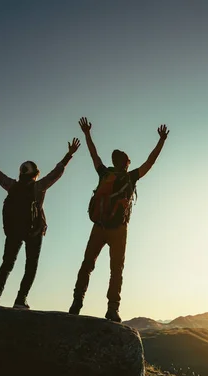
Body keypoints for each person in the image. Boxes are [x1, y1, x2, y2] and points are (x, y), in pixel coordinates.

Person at [69, 117, 169, 322]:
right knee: (116, 270)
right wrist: (161, 141)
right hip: (118, 229)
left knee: (87, 265)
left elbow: (93, 155)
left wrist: (87, 134)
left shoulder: (104, 173)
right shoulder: (130, 177)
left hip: (99, 226)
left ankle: (76, 303)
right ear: (126, 163)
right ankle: (112, 309)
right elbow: (150, 162)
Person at [0, 138, 81, 309]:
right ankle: (21, 299)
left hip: (14, 231)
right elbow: (56, 172)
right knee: (31, 265)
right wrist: (69, 154)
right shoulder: (39, 186)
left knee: (7, 263)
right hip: (34, 232)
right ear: (35, 173)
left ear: (21, 173)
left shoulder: (12, 186)